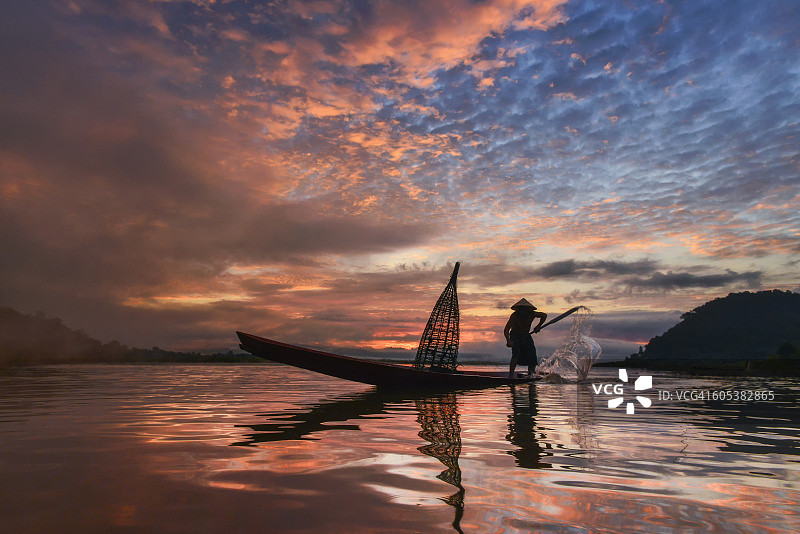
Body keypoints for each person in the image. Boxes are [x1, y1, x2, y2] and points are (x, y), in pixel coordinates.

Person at [504, 298, 547, 378]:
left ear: (528, 309)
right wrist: (508, 340)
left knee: (532, 355)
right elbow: (506, 329)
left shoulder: (532, 314)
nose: (523, 311)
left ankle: (530, 374)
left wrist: (538, 326)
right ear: (518, 309)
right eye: (521, 309)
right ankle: (511, 376)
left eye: (525, 309)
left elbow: (544, 315)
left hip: (526, 335)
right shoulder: (514, 316)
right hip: (515, 335)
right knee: (516, 354)